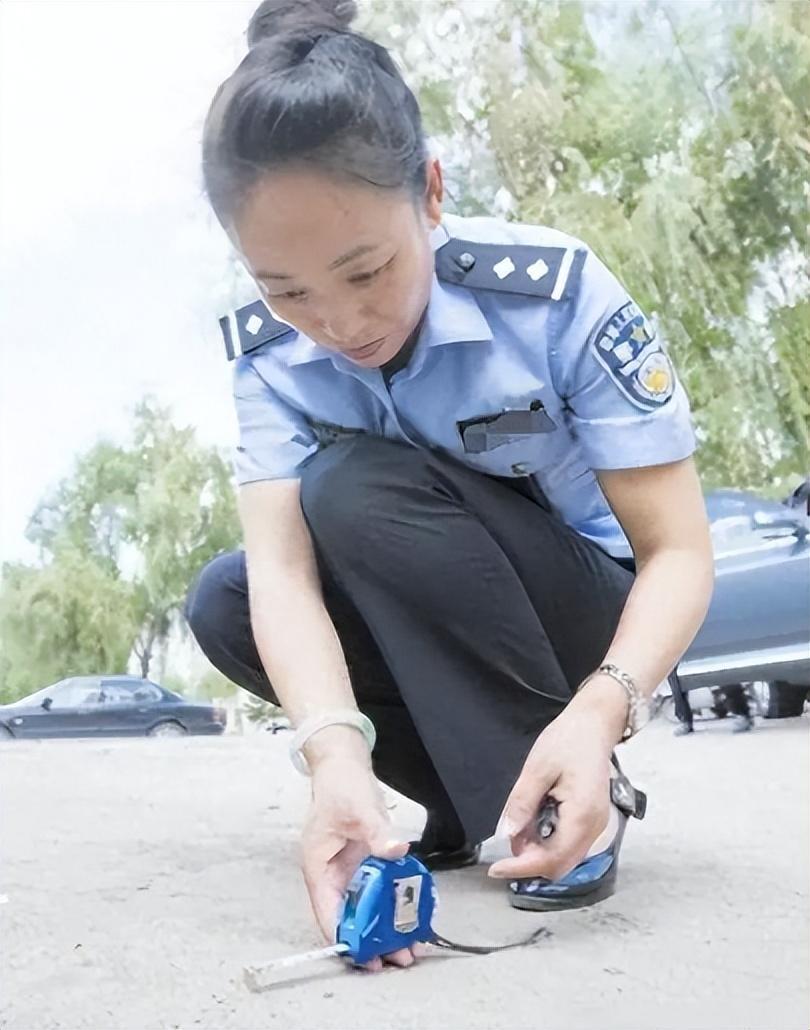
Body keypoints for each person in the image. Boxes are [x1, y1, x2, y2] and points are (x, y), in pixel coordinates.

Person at [184, 0, 715, 972]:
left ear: (431, 192)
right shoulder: (266, 362)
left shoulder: (551, 296)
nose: (337, 323)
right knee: (225, 598)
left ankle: (560, 800)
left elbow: (679, 552)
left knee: (349, 490)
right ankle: (442, 793)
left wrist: (603, 708)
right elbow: (282, 579)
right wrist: (335, 759)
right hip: (439, 596)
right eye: (285, 289)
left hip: (594, 623)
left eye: (366, 271)